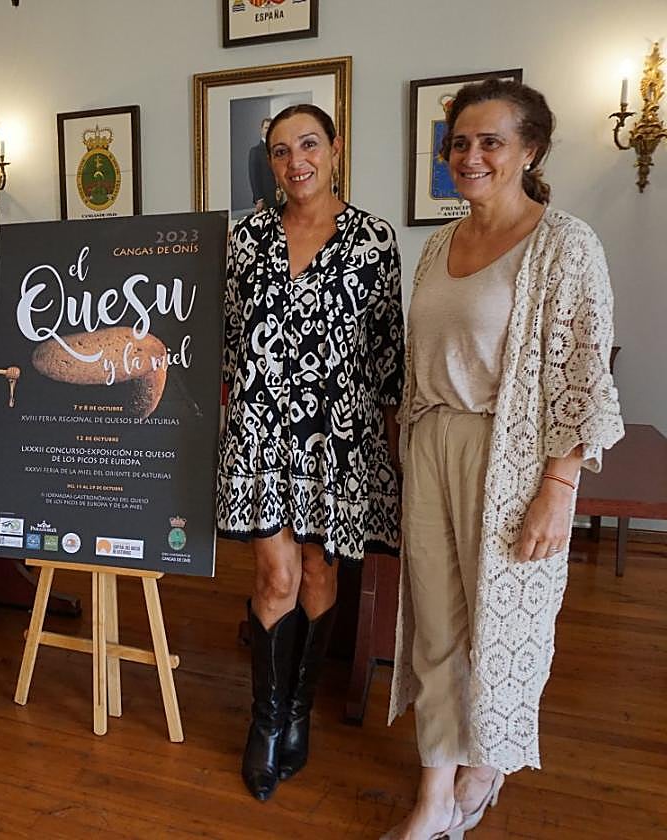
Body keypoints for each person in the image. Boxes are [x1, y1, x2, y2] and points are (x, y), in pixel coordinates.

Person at [382, 79, 623, 840]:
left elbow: (587, 376)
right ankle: (433, 794)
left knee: (503, 627)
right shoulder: (435, 245)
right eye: (460, 143)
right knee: (437, 630)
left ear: (531, 150)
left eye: (491, 141)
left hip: (513, 458)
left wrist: (560, 483)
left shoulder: (567, 244)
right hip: (431, 445)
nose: (472, 156)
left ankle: (484, 769)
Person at [218, 104, 404, 801]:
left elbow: (388, 354)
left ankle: (300, 713)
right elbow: (227, 339)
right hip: (262, 432)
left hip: (341, 438)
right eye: (279, 151)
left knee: (322, 578)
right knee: (275, 578)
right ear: (269, 163)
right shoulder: (245, 240)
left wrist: (388, 451)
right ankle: (265, 724)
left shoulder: (374, 240)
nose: (295, 161)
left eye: (307, 145)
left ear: (334, 149)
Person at [247, 116, 279, 214]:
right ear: (261, 130)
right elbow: (253, 176)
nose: (268, 130)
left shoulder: (279, 150)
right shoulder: (255, 151)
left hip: (281, 197)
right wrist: (259, 199)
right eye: (266, 128)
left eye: (271, 128)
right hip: (266, 199)